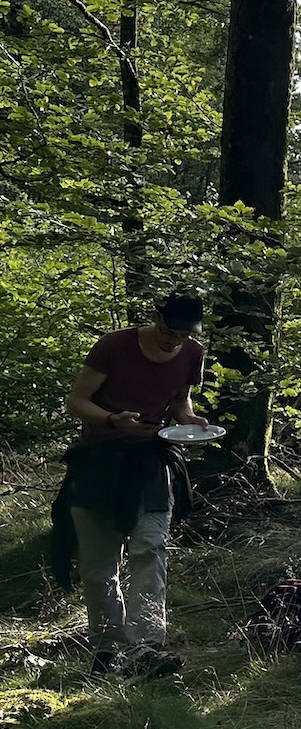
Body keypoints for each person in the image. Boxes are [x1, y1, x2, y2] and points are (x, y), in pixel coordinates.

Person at [54, 290, 209, 677]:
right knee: (98, 566)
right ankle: (107, 649)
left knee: (150, 547)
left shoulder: (193, 353)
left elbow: (180, 402)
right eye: (170, 332)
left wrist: (189, 420)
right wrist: (112, 419)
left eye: (184, 335)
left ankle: (146, 649)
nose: (174, 342)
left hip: (152, 463)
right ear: (157, 317)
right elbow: (76, 401)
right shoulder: (114, 346)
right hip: (98, 463)